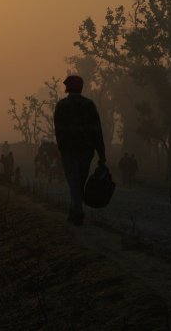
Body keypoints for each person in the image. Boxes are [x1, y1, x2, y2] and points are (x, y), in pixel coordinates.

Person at [54, 75, 106, 226]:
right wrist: (101, 154)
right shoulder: (89, 105)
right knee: (80, 181)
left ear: (69, 87)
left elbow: (59, 131)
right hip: (86, 151)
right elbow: (97, 131)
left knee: (73, 181)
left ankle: (77, 212)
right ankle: (75, 210)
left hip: (69, 151)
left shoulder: (61, 106)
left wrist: (62, 149)